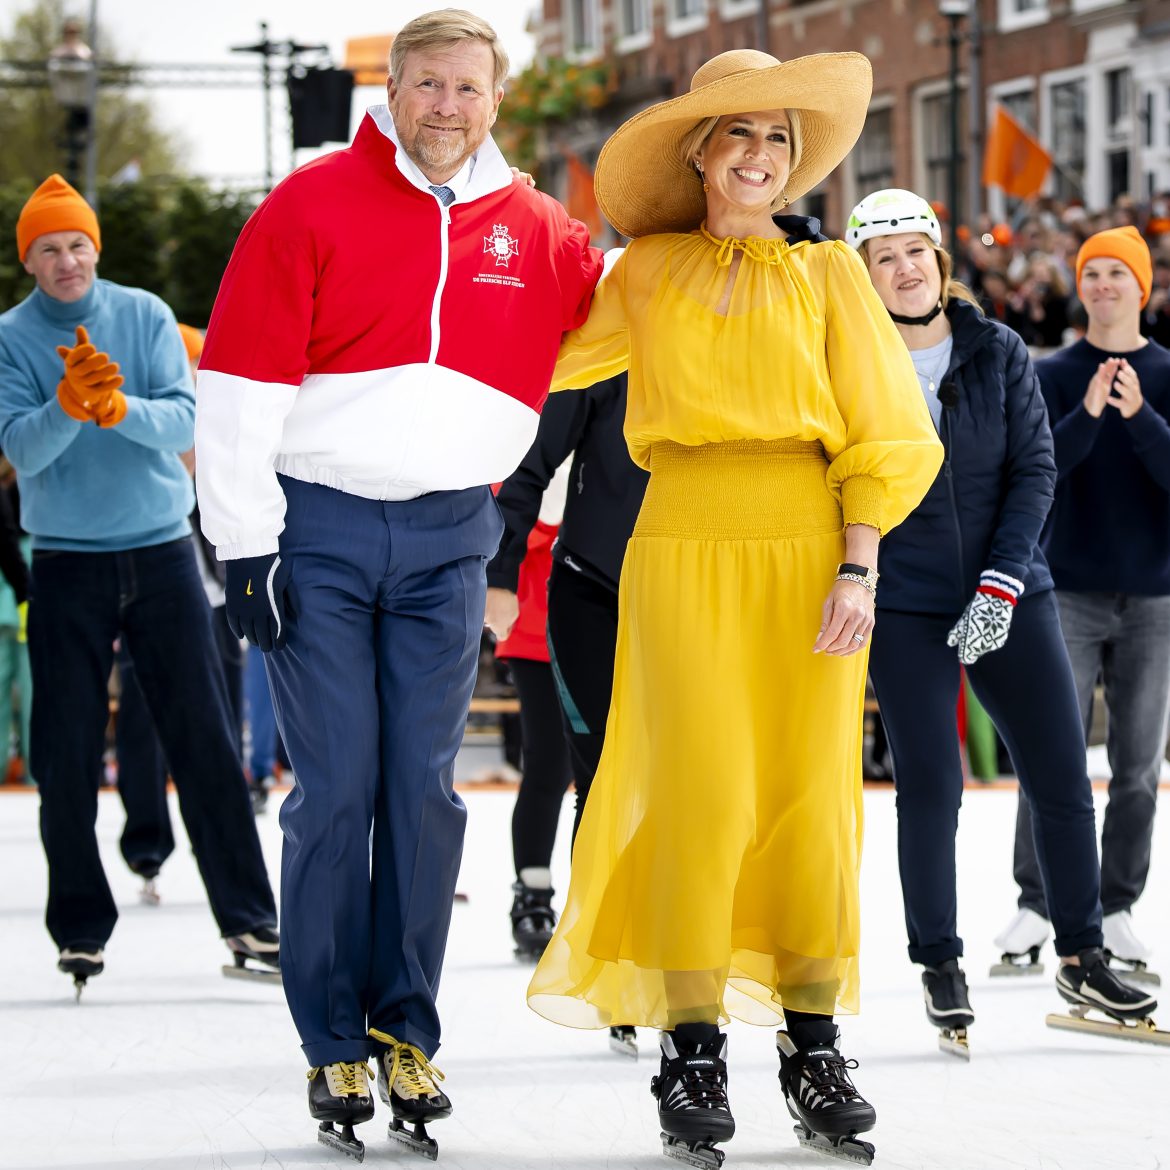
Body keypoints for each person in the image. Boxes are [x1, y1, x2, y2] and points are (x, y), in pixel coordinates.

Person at [193, 9, 603, 1160]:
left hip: (447, 539)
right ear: (397, 88)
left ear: (495, 99)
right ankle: (332, 1038)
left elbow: (634, 308)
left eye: (467, 88)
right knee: (339, 788)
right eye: (428, 84)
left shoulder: (539, 228)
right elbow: (234, 384)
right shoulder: (312, 202)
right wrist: (245, 545)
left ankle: (403, 1027)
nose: (446, 106)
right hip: (315, 528)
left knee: (423, 790)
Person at [526, 50, 943, 1167]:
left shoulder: (831, 281)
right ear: (700, 152)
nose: (761, 156)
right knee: (697, 795)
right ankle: (692, 1048)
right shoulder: (644, 273)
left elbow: (885, 433)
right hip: (679, 542)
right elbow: (537, 362)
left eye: (779, 140)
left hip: (810, 548)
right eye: (739, 136)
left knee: (808, 797)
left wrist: (858, 568)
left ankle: (813, 1045)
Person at [845, 188, 1157, 1057]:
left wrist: (1001, 583)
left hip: (1010, 594)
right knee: (931, 789)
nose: (904, 269)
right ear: (863, 276)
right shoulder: (847, 360)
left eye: (916, 252)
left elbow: (1036, 468)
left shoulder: (998, 348)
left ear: (940, 261)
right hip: (904, 602)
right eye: (883, 258)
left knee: (1060, 776)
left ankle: (1082, 950)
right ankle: (939, 961)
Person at [0, 174, 278, 997]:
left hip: (158, 554)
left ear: (95, 248)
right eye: (47, 248)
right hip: (65, 562)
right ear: (29, 262)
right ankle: (80, 928)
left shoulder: (145, 314)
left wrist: (115, 406)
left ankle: (248, 918)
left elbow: (184, 421)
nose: (66, 260)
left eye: (76, 243)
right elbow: (22, 449)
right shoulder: (12, 337)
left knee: (204, 739)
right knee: (66, 750)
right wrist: (66, 404)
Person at [1001, 226, 1170, 984]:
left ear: (1142, 286)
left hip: (1154, 596)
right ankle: (1038, 902)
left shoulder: (1166, 372)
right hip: (1064, 591)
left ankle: (1117, 904)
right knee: (1052, 756)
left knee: (1137, 765)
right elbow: (1037, 468)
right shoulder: (1052, 372)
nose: (1103, 285)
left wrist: (1139, 418)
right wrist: (1091, 414)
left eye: (1117, 273)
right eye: (1091, 273)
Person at [484, 462, 574, 960]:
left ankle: (602, 897)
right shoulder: (530, 431)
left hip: (603, 618)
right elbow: (506, 526)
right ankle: (533, 893)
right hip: (534, 624)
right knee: (547, 763)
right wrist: (548, 516)